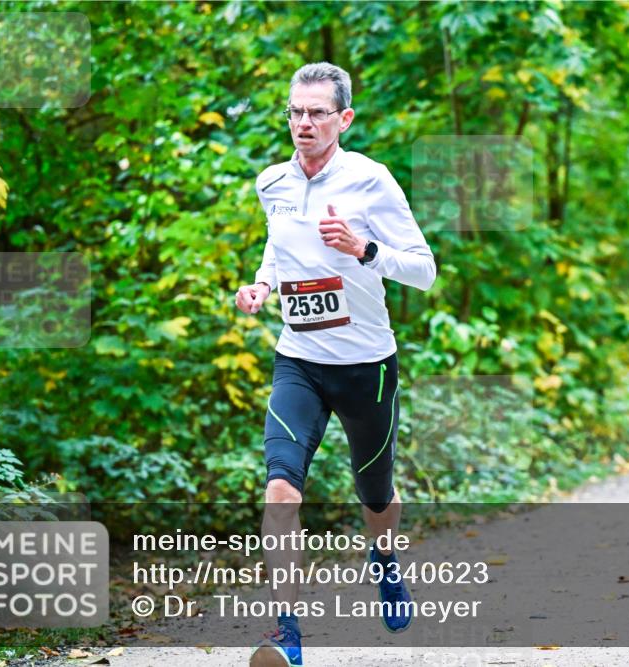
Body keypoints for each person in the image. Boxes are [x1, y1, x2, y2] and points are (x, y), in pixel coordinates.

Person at [235, 62, 437, 667]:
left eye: (317, 112)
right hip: (298, 359)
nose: (304, 123)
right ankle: (286, 633)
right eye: (296, 111)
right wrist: (261, 285)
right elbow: (278, 242)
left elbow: (424, 270)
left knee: (375, 496)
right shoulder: (271, 182)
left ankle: (384, 558)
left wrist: (364, 249)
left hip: (366, 366)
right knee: (279, 488)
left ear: (343, 118)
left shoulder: (372, 182)